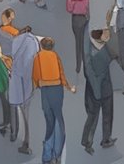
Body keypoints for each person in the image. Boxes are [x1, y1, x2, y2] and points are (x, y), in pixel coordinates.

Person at [33, 35, 75, 164]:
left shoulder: (38, 57)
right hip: (57, 90)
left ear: (41, 46)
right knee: (58, 121)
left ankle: (47, 156)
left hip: (45, 91)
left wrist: (37, 85)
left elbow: (35, 75)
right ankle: (57, 154)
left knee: (49, 121)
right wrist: (69, 87)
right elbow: (61, 73)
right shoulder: (55, 56)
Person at [81, 29, 116, 154]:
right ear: (99, 35)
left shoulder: (104, 46)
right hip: (95, 88)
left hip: (106, 86)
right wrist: (96, 91)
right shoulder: (90, 50)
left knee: (108, 113)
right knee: (93, 116)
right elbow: (89, 72)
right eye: (105, 33)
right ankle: (87, 142)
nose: (108, 34)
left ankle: (106, 138)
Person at [8, 25, 41, 152]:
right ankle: (27, 141)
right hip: (28, 80)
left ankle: (14, 134)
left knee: (15, 108)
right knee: (26, 112)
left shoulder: (15, 42)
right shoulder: (33, 41)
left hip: (16, 80)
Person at [67, 0, 91, 75]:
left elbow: (69, 8)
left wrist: (74, 1)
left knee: (79, 43)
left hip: (78, 19)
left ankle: (79, 65)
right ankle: (84, 64)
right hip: (82, 19)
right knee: (82, 42)